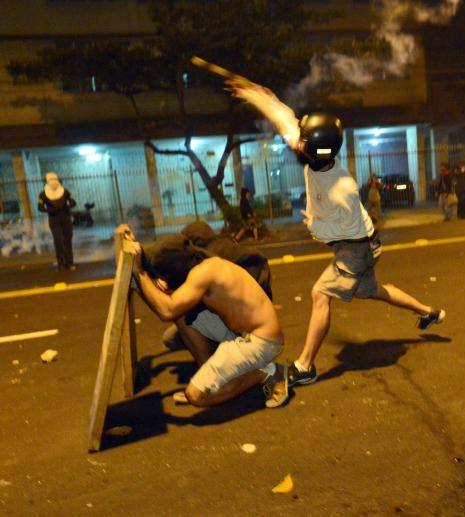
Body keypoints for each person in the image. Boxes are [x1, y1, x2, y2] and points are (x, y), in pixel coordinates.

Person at [227, 80, 446, 390]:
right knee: (375, 291)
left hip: (355, 247)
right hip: (362, 243)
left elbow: (348, 234)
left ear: (317, 149)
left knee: (320, 295)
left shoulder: (343, 191)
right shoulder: (316, 152)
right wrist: (256, 94)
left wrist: (314, 224)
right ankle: (428, 312)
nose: (296, 144)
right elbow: (284, 118)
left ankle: (305, 366)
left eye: (302, 143)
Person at [129, 231, 286, 408]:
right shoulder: (202, 265)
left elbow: (167, 310)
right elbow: (167, 302)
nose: (163, 281)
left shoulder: (203, 275)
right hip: (241, 333)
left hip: (262, 341)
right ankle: (208, 379)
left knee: (195, 396)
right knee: (183, 317)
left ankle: (267, 373)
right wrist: (139, 270)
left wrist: (139, 273)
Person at [161, 220, 273, 352]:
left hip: (238, 326)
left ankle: (217, 358)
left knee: (178, 326)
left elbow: (173, 308)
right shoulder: (234, 249)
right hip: (262, 322)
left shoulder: (206, 261)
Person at [38, 172, 76, 271]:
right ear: (46, 182)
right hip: (54, 219)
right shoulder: (43, 195)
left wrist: (68, 206)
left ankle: (70, 263)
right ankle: (61, 263)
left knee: (67, 240)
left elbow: (73, 202)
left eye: (55, 180)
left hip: (66, 218)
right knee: (58, 240)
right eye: (51, 180)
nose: (54, 182)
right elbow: (40, 207)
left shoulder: (65, 191)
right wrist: (50, 210)